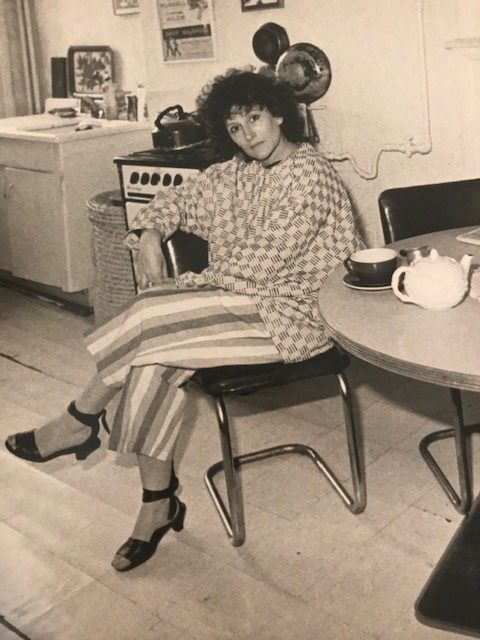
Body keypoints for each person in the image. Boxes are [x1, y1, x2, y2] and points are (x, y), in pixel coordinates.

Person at [5, 70, 363, 572]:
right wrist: (151, 231)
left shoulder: (312, 174)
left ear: (279, 112)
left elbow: (261, 265)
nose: (248, 135)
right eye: (235, 128)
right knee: (152, 360)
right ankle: (158, 503)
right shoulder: (231, 173)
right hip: (236, 306)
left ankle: (79, 419)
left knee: (153, 316)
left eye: (255, 119)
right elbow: (172, 200)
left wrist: (184, 286)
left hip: (295, 316)